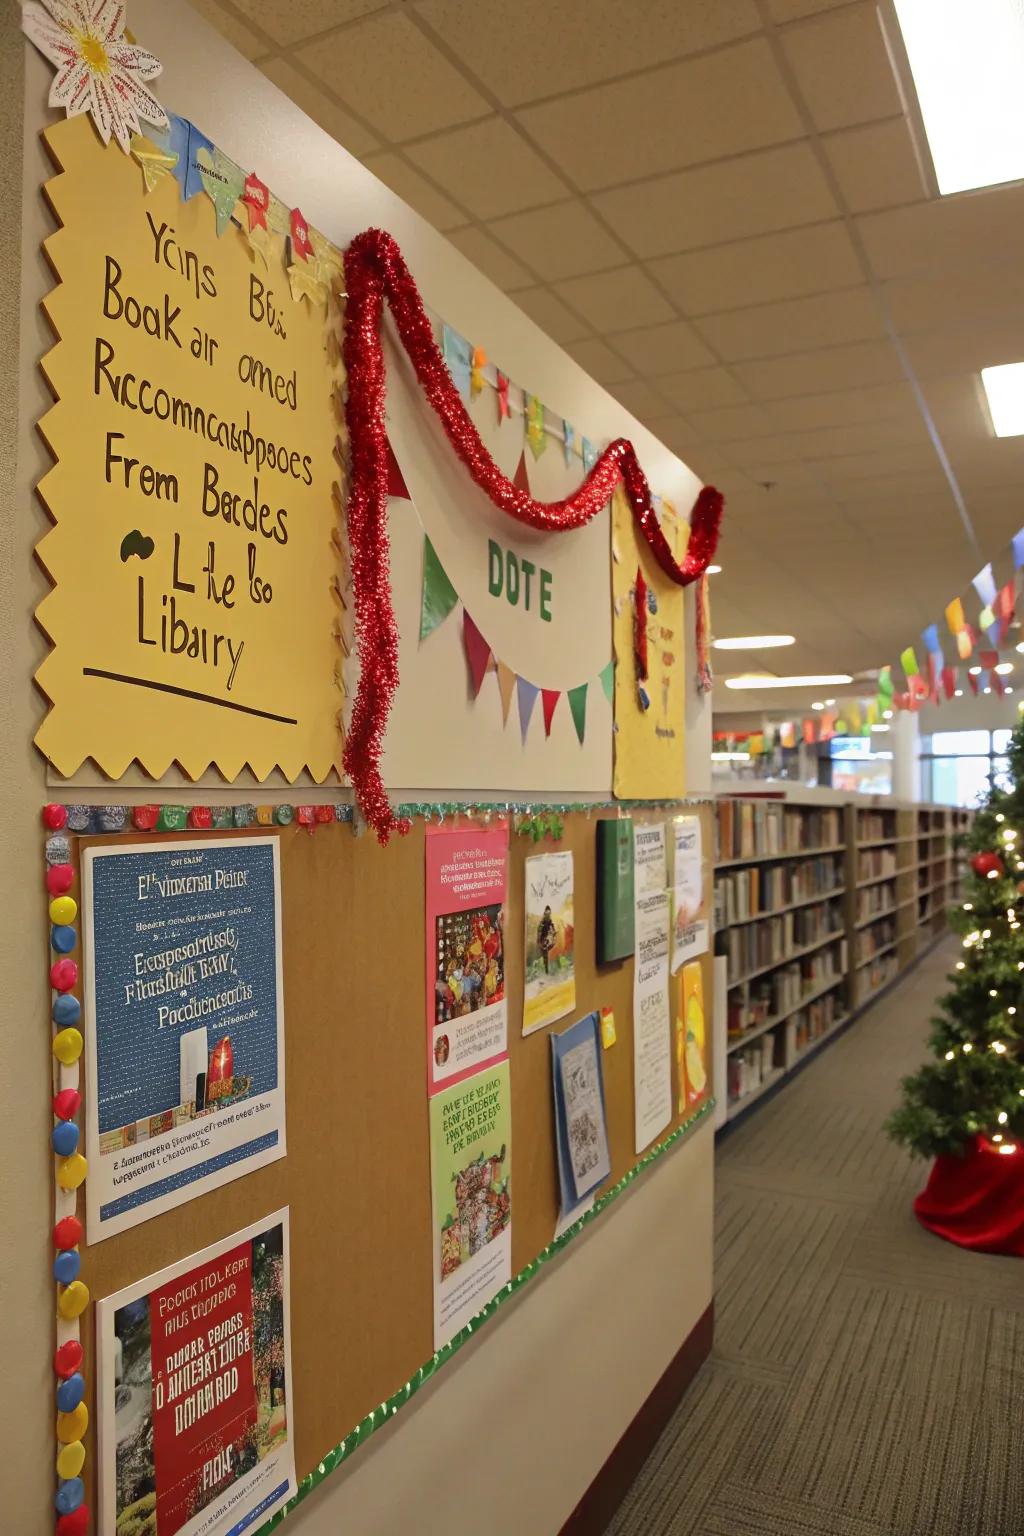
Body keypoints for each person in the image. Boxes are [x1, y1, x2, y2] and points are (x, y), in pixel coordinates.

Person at [537, 905, 556, 973]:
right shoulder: (542, 922)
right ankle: (546, 970)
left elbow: (552, 926)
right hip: (542, 939)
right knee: (545, 955)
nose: (548, 915)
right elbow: (539, 931)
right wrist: (539, 941)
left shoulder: (549, 920)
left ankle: (546, 968)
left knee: (551, 945)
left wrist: (554, 932)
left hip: (547, 938)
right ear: (545, 913)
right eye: (547, 913)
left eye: (549, 913)